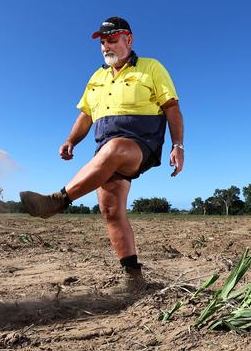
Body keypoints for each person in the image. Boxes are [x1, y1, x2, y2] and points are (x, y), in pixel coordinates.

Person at [20, 17, 184, 293]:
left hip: (140, 144)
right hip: (104, 152)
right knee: (111, 211)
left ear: (128, 40)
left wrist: (177, 145)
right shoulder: (96, 78)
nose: (106, 45)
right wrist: (71, 140)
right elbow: (86, 114)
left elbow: (172, 108)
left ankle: (57, 201)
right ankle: (134, 278)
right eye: (103, 41)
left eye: (113, 39)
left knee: (116, 148)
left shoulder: (151, 67)